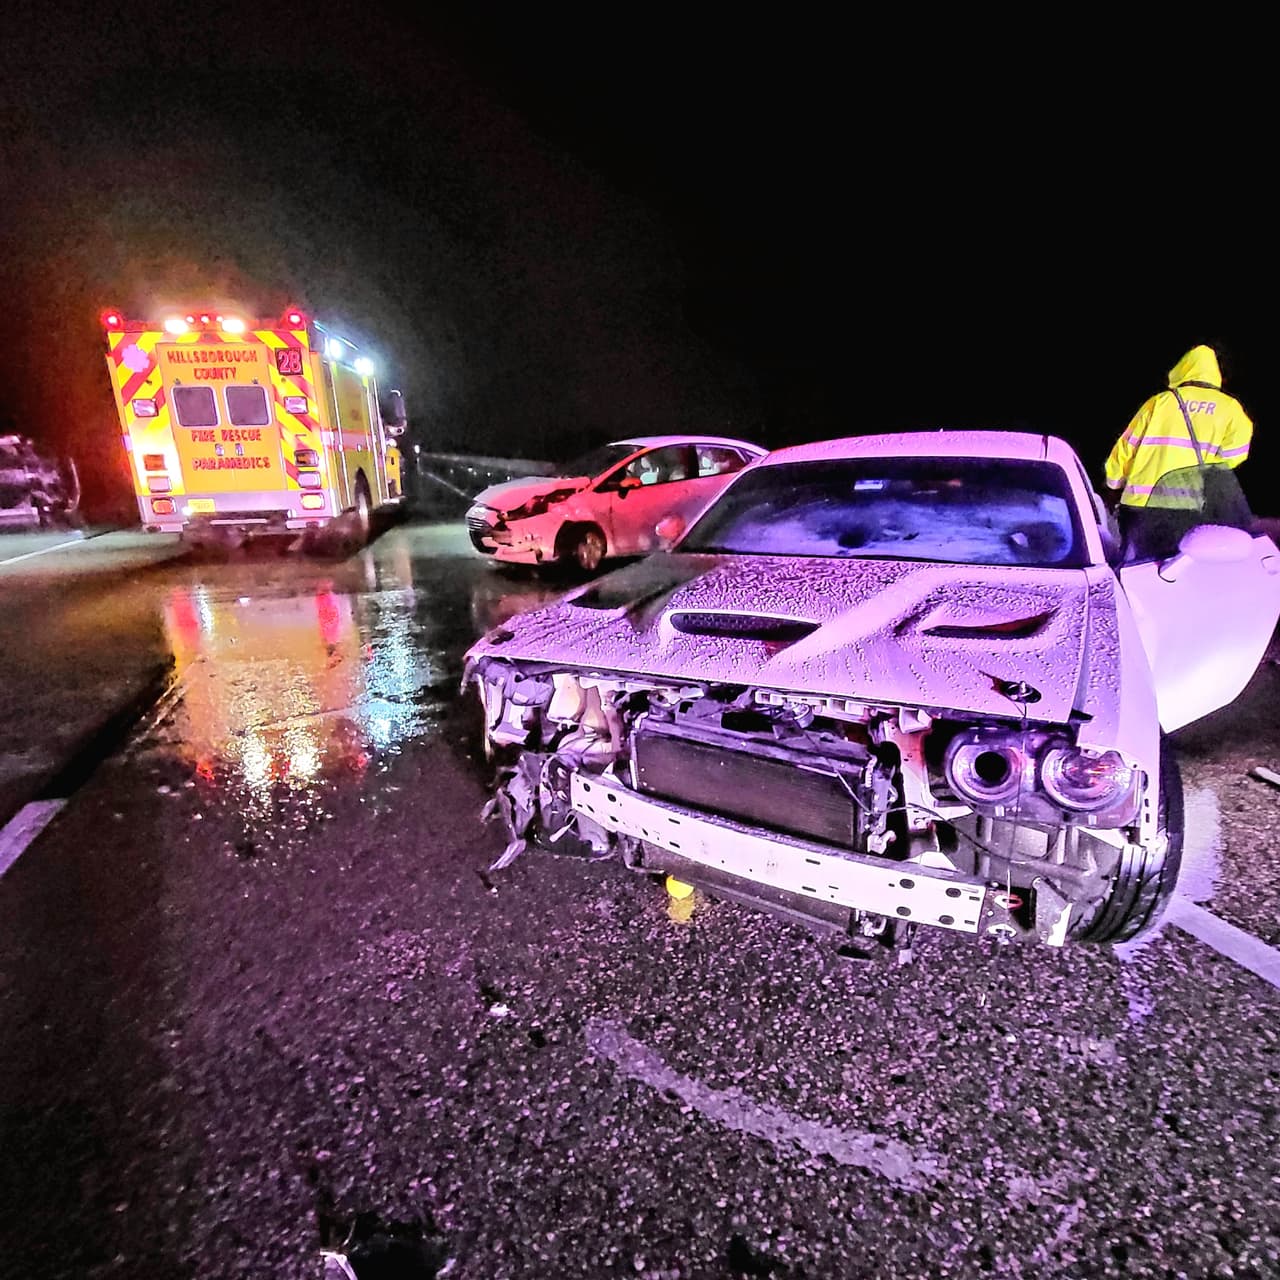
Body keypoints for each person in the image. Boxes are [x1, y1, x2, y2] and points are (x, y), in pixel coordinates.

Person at [1105, 344, 1253, 560]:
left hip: (1142, 503)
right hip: (1189, 505)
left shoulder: (1160, 403)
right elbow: (1235, 454)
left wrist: (1113, 484)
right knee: (1178, 567)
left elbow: (1127, 447)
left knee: (1133, 569)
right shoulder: (1230, 408)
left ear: (1183, 369)